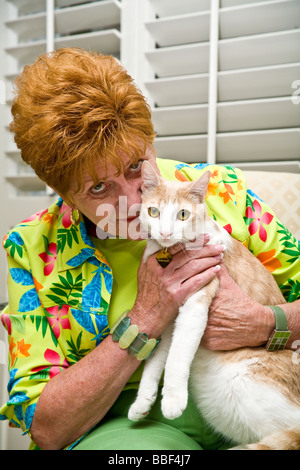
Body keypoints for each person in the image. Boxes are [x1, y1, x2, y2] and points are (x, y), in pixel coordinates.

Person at [0, 48, 299, 451]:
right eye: (98, 188)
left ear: (150, 142)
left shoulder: (223, 191)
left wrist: (265, 322)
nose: (134, 200)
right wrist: (145, 318)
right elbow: (48, 428)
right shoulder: (34, 247)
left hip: (254, 385)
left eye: (136, 166)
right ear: (63, 194)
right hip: (134, 423)